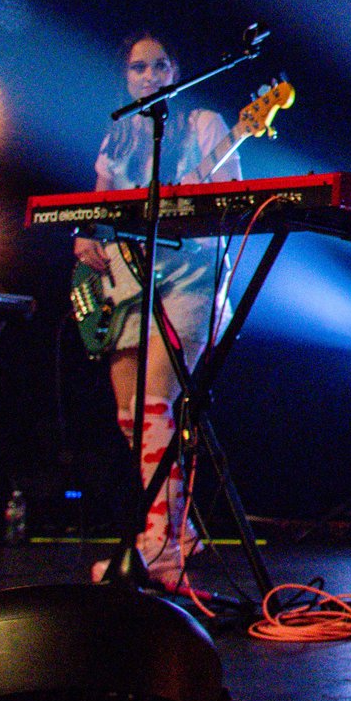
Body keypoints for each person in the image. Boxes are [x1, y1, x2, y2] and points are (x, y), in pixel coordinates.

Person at [75, 32, 242, 589]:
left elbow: (229, 199)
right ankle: (179, 529)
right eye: (138, 67)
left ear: (176, 71)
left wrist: (188, 195)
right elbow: (98, 200)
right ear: (126, 77)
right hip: (127, 283)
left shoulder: (204, 125)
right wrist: (87, 236)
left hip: (190, 279)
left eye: (160, 65)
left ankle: (160, 544)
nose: (149, 75)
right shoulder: (120, 133)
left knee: (153, 405)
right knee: (131, 416)